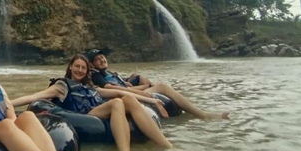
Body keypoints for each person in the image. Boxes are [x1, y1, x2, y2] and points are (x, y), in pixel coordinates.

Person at [10, 54, 173, 151]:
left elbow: (123, 92)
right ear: (70, 67)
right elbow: (34, 96)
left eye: (83, 68)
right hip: (85, 118)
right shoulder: (61, 86)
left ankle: (165, 145)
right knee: (117, 103)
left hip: (97, 113)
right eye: (77, 66)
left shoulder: (91, 87)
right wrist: (8, 104)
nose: (80, 70)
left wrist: (153, 100)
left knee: (127, 99)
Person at [85, 48, 230, 120]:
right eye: (98, 59)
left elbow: (125, 85)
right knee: (163, 86)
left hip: (130, 90)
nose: (103, 60)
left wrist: (138, 80)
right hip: (127, 96)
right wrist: (144, 89)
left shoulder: (109, 73)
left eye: (103, 57)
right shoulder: (97, 75)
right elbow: (111, 88)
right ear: (92, 64)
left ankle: (192, 110)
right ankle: (203, 115)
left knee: (139, 76)